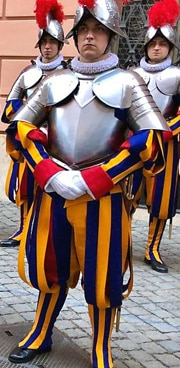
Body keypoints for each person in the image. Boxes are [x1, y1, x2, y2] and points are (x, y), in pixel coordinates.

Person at [6, 0, 170, 367]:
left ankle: (100, 347)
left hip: (104, 198)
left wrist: (97, 177)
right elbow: (22, 129)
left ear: (110, 35)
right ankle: (39, 332)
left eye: (97, 30)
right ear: (75, 36)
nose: (89, 37)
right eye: (83, 31)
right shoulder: (54, 80)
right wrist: (49, 172)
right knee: (51, 269)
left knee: (102, 278)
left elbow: (152, 140)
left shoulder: (129, 81)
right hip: (55, 192)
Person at [0, 0, 67, 248]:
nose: (48, 47)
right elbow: (9, 107)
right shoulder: (28, 73)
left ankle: (46, 229)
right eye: (44, 42)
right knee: (26, 186)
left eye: (52, 43)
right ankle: (23, 228)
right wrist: (27, 116)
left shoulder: (68, 74)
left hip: (57, 141)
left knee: (51, 186)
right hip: (29, 138)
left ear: (60, 45)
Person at [129, 0, 180, 274]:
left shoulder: (177, 75)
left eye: (162, 43)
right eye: (153, 44)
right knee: (127, 193)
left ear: (170, 47)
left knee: (160, 199)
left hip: (166, 145)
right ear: (146, 47)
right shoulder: (132, 74)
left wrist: (169, 128)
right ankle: (121, 240)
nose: (157, 47)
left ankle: (152, 247)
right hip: (136, 142)